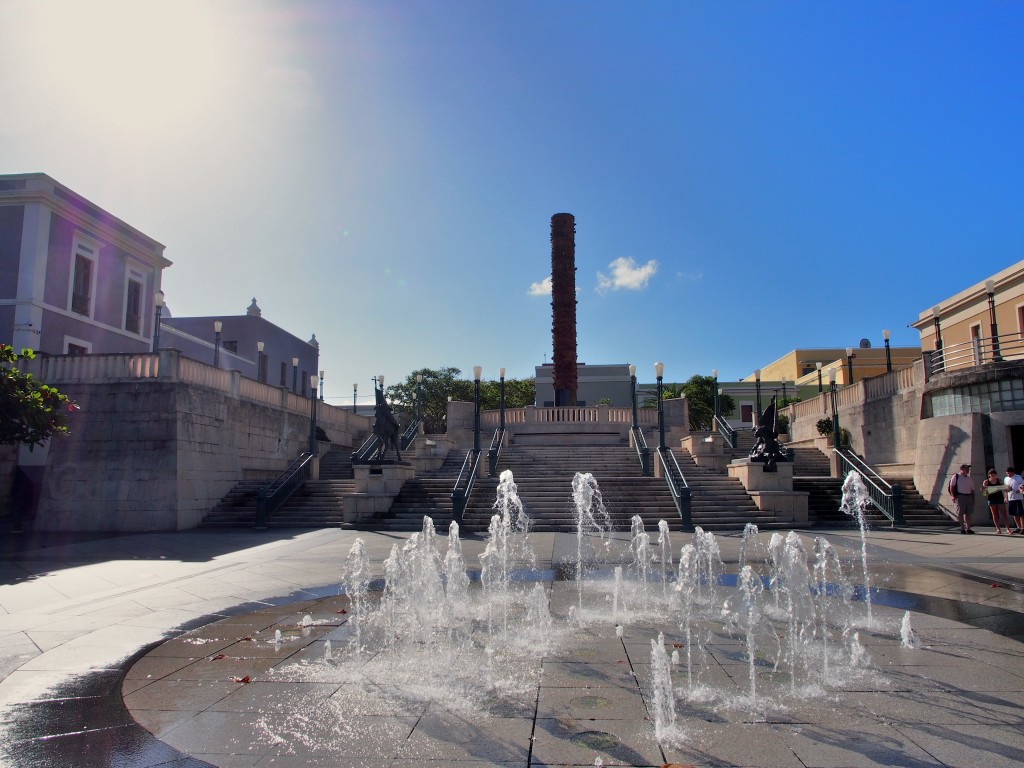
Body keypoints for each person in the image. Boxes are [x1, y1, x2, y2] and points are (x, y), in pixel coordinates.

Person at [982, 468, 1012, 534]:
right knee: (995, 514)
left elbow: (1005, 489)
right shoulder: (986, 481)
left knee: (1004, 514)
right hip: (992, 499)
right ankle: (998, 529)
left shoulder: (999, 480)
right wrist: (990, 490)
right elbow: (984, 493)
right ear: (989, 475)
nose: (993, 476)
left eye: (994, 475)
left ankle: (1008, 529)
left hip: (1000, 498)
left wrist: (1006, 497)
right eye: (992, 475)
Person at [948, 463, 975, 534]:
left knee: (968, 513)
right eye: (966, 469)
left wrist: (973, 498)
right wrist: (953, 496)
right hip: (960, 496)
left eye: (968, 469)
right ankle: (962, 528)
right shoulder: (956, 476)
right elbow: (952, 486)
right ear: (962, 469)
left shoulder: (969, 478)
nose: (968, 470)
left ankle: (968, 528)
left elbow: (972, 489)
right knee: (960, 513)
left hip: (968, 496)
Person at [1005, 467, 1024, 535]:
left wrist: (1020, 490)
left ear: (1012, 472)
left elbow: (1023, 485)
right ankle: (1018, 527)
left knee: (1021, 514)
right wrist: (1006, 497)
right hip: (1011, 498)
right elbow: (1006, 489)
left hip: (1018, 498)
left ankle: (1023, 528)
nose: (1008, 475)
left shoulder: (1018, 477)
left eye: (1009, 473)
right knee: (1014, 514)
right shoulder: (1006, 479)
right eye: (1007, 473)